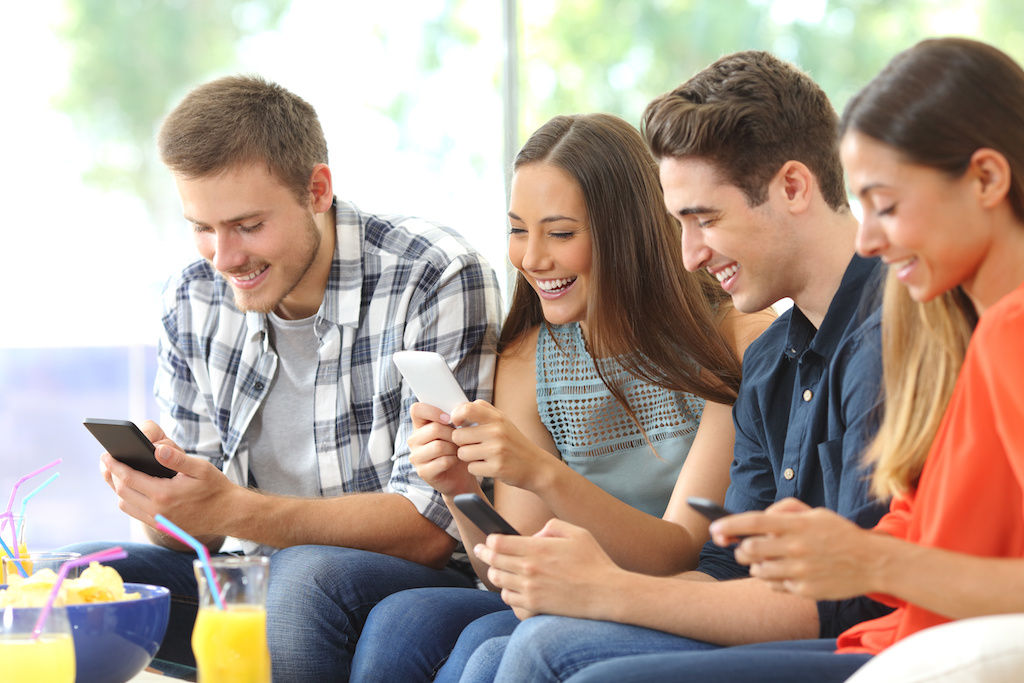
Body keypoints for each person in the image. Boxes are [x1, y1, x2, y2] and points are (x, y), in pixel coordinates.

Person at [564, 36, 1024, 682]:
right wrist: (839, 551)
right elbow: (909, 532)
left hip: (907, 649)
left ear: (986, 179)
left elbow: (868, 582)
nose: (867, 237)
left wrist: (863, 560)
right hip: (887, 639)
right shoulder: (956, 332)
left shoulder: (986, 331)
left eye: (886, 206)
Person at [452, 50, 893, 682]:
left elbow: (845, 599)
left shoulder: (888, 337)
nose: (687, 257)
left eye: (705, 219)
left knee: (544, 650)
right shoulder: (771, 363)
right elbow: (720, 570)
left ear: (793, 187)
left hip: (870, 644)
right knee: (510, 643)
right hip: (783, 625)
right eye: (679, 223)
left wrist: (608, 591)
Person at [67, 75, 502, 681]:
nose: (223, 258)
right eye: (202, 227)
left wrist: (233, 509)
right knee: (74, 577)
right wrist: (159, 497)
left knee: (301, 579)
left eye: (247, 226)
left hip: (398, 583)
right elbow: (199, 541)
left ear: (317, 190)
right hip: (248, 576)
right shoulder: (192, 298)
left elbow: (432, 526)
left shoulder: (433, 276)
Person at [349, 113, 775, 681]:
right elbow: (507, 568)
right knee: (404, 620)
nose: (530, 258)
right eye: (519, 229)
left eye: (560, 233)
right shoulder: (531, 356)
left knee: (489, 648)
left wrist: (541, 472)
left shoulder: (732, 339)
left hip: (683, 594)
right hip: (574, 593)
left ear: (627, 233)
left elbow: (680, 554)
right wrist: (458, 489)